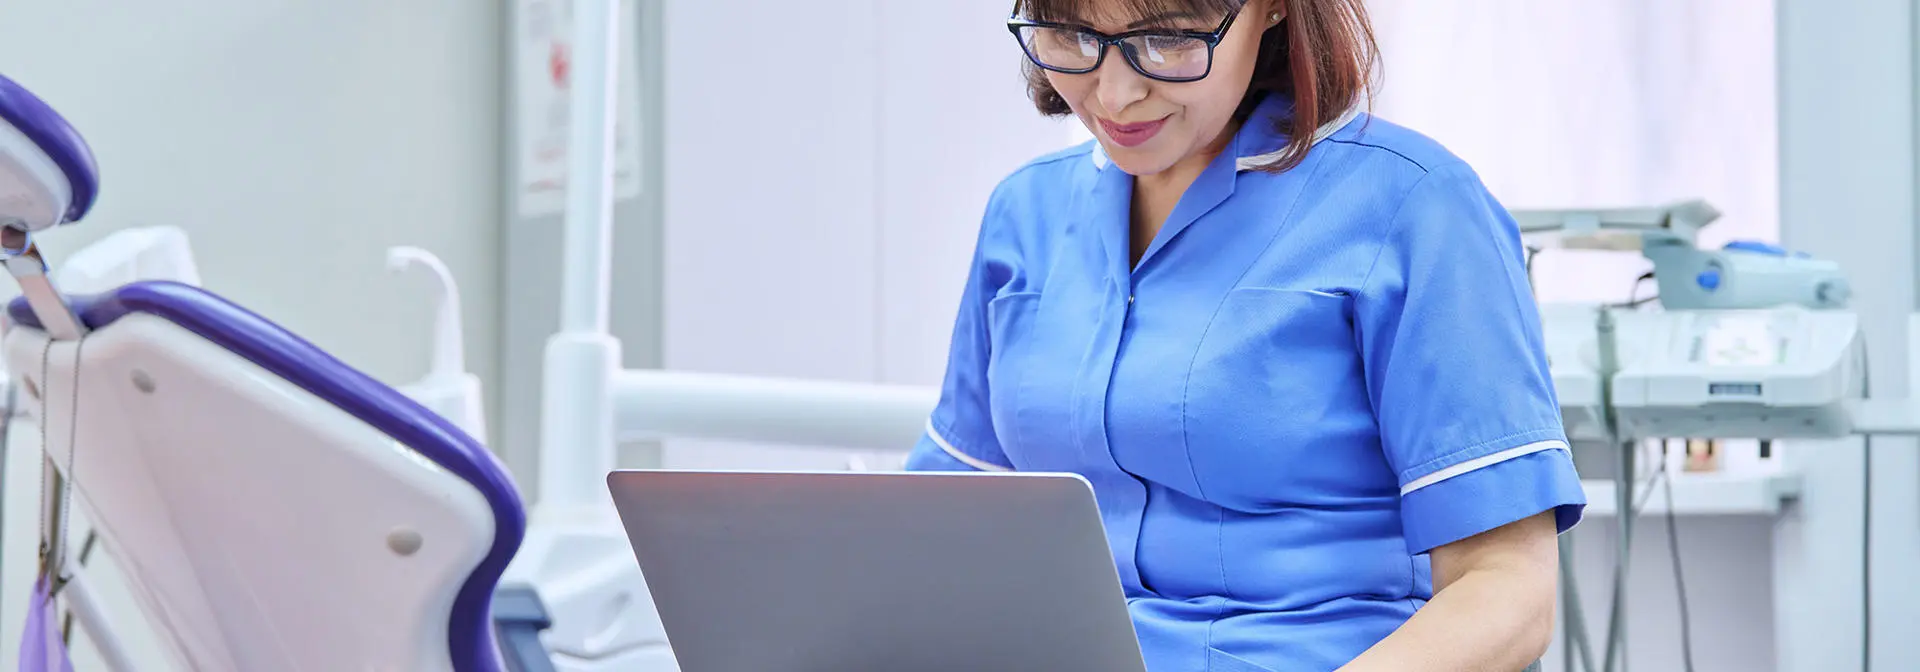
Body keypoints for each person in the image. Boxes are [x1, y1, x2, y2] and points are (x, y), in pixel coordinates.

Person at [903, 1, 1585, 670]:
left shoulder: (1415, 206)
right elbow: (941, 529)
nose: (1113, 92)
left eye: (1167, 39)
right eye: (1074, 36)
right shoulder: (1026, 213)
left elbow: (1507, 592)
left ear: (1273, 10)